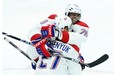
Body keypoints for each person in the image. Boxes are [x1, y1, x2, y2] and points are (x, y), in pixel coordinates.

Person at [26, 4, 89, 75]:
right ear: (66, 13)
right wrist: (78, 62)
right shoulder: (71, 50)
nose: (74, 18)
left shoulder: (45, 42)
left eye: (77, 16)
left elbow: (30, 48)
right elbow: (75, 71)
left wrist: (36, 58)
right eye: (72, 14)